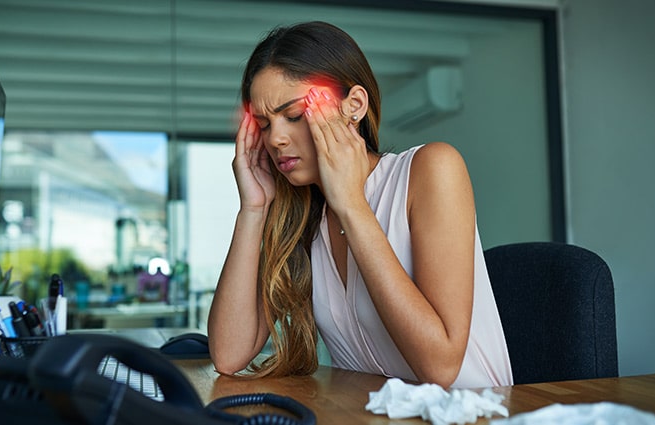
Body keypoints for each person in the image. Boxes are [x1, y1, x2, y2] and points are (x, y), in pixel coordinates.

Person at [208, 21, 512, 389]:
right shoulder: (305, 219)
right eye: (263, 125)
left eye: (294, 115)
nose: (276, 139)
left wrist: (352, 205)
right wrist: (253, 210)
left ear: (354, 106)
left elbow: (441, 367)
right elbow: (228, 355)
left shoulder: (432, 169)